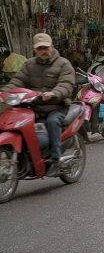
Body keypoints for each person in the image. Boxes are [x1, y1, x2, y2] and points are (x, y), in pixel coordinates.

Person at [1, 33, 75, 177]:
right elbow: (17, 81)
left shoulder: (63, 64)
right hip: (34, 108)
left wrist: (54, 93)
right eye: (40, 48)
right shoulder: (29, 65)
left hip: (57, 107)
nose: (43, 51)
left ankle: (56, 159)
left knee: (53, 122)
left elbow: (66, 84)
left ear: (52, 47)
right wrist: (3, 93)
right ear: (35, 50)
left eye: (45, 48)